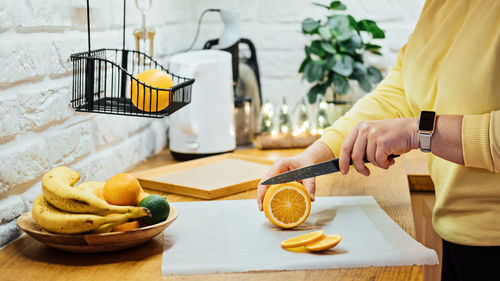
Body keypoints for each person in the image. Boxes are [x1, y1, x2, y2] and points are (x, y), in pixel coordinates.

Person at [257, 0, 500, 280]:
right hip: (457, 235)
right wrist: (314, 155)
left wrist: (417, 132)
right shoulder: (442, 5)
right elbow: (400, 89)